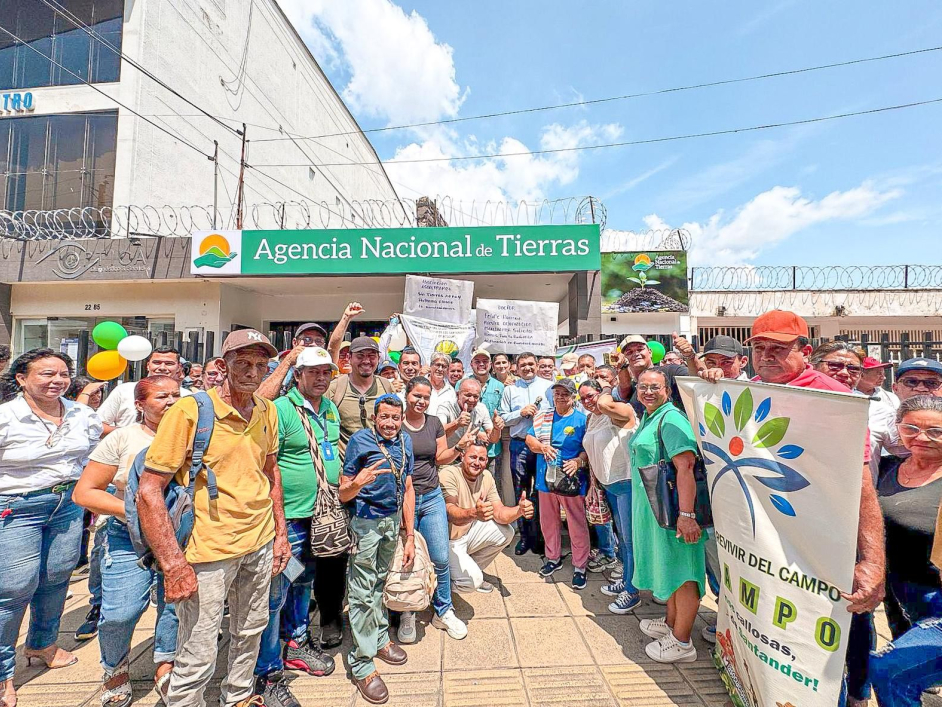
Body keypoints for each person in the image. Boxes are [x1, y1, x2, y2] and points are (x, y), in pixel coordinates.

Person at [137, 330, 290, 707]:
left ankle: (238, 697)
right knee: (199, 646)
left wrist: (281, 535)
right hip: (208, 551)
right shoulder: (191, 411)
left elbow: (270, 474)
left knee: (251, 630)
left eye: (260, 365)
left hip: (259, 542)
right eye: (243, 363)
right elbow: (149, 489)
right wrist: (173, 564)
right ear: (222, 366)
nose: (252, 372)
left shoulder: (267, 409)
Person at [0, 349, 103, 707]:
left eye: (62, 374)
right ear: (21, 378)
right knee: (14, 587)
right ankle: (2, 674)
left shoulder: (81, 414)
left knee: (57, 575)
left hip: (67, 505)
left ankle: (42, 643)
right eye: (46, 374)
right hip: (16, 506)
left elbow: (91, 456)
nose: (56, 381)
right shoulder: (6, 417)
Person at [73, 376, 181, 707]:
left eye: (177, 395)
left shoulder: (193, 437)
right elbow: (85, 492)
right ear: (139, 405)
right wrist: (138, 512)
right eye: (162, 396)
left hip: (181, 535)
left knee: (174, 605)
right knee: (121, 610)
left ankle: (166, 663)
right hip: (128, 536)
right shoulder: (123, 437)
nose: (171, 401)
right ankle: (115, 667)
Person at [254, 347, 340, 707]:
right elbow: (257, 401)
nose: (321, 378)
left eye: (327, 373)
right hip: (286, 519)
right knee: (274, 596)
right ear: (298, 375)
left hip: (319, 517)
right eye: (314, 372)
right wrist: (288, 359)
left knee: (304, 584)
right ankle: (267, 673)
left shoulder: (329, 409)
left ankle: (296, 644)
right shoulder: (281, 408)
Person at [339, 394, 416, 705]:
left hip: (391, 523)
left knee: (379, 584)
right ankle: (361, 663)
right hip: (366, 524)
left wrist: (409, 534)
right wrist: (358, 482)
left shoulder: (405, 442)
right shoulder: (360, 441)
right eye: (384, 417)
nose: (390, 424)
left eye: (395, 418)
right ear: (374, 418)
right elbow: (344, 492)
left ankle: (380, 637)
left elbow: (408, 486)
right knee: (360, 590)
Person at [868, 395, 942, 705]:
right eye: (910, 427)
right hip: (901, 595)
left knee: (889, 671)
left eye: (936, 431)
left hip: (937, 598)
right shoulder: (884, 468)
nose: (921, 437)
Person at [630, 368, 706, 663]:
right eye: (643, 386)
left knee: (685, 571)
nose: (648, 392)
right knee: (671, 567)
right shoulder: (652, 415)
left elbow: (685, 467)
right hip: (655, 508)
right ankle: (672, 623)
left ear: (668, 390)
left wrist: (686, 515)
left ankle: (683, 641)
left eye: (655, 387)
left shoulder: (672, 419)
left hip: (674, 510)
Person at [398, 376, 468, 643]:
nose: (421, 401)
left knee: (439, 556)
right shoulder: (396, 423)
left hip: (432, 496)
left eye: (426, 397)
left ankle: (443, 610)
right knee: (408, 557)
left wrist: (459, 447)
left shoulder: (435, 423)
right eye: (417, 395)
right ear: (407, 395)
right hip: (405, 499)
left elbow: (440, 457)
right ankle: (408, 611)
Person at [578, 379, 640, 613]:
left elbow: (606, 405)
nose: (587, 402)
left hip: (626, 483)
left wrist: (606, 390)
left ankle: (632, 592)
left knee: (630, 540)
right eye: (582, 398)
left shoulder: (619, 409)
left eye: (590, 395)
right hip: (610, 485)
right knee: (623, 540)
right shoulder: (592, 417)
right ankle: (626, 579)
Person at [525, 378, 591, 589]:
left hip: (571, 479)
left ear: (573, 397)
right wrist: (542, 448)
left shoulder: (583, 420)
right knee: (548, 521)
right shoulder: (543, 417)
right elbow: (530, 440)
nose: (561, 397)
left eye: (565, 393)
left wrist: (578, 461)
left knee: (576, 522)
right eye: (557, 393)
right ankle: (553, 558)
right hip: (546, 477)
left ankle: (580, 565)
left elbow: (587, 449)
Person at [442, 441, 533, 593]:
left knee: (506, 532)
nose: (477, 463)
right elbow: (450, 512)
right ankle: (441, 587)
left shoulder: (486, 477)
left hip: (467, 532)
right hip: (449, 540)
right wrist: (474, 513)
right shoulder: (449, 474)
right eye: (473, 457)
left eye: (482, 459)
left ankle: (470, 571)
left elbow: (499, 513)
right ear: (462, 456)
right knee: (471, 584)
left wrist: (519, 511)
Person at [498, 351, 552, 556]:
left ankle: (541, 538)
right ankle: (525, 538)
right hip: (519, 445)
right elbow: (503, 418)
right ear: (516, 368)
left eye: (531, 364)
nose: (528, 368)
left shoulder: (547, 387)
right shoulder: (510, 390)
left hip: (541, 446)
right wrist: (519, 413)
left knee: (541, 493)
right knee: (521, 491)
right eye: (523, 365)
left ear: (537, 365)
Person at [97, 347, 191, 433]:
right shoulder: (124, 390)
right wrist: (131, 435)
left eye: (169, 364)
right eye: (157, 363)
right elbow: (99, 425)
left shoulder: (188, 397)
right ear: (148, 365)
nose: (162, 368)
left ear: (179, 367)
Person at [327, 336, 394, 454]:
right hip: (346, 467)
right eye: (360, 356)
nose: (366, 361)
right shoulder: (335, 388)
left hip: (379, 463)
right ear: (349, 358)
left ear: (378, 358)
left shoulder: (386, 387)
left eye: (372, 356)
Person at [612, 335, 688, 417]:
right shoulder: (631, 388)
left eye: (640, 349)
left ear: (650, 352)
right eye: (629, 352)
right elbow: (622, 392)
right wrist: (622, 366)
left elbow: (698, 379)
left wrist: (690, 355)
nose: (636, 354)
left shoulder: (671, 371)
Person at [260, 322, 329, 399]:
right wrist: (288, 362)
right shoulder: (275, 366)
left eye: (319, 341)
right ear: (295, 342)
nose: (313, 344)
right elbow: (261, 399)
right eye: (307, 339)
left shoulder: (326, 369)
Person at [466, 349, 506, 472]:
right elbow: (458, 414)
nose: (481, 364)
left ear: (490, 365)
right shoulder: (462, 384)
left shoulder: (500, 386)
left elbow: (502, 413)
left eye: (485, 361)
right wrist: (477, 433)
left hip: (492, 448)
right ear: (471, 364)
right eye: (477, 361)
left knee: (490, 484)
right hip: (468, 446)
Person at [438, 379, 502, 450]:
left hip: (468, 455)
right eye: (468, 395)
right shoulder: (445, 407)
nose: (471, 400)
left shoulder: (481, 409)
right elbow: (438, 434)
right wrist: (456, 423)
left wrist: (496, 428)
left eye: (475, 397)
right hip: (448, 455)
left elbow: (493, 439)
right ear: (457, 394)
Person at [427, 352, 458, 417]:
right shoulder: (421, 385)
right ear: (431, 366)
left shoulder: (451, 391)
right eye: (438, 365)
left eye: (444, 366)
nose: (440, 369)